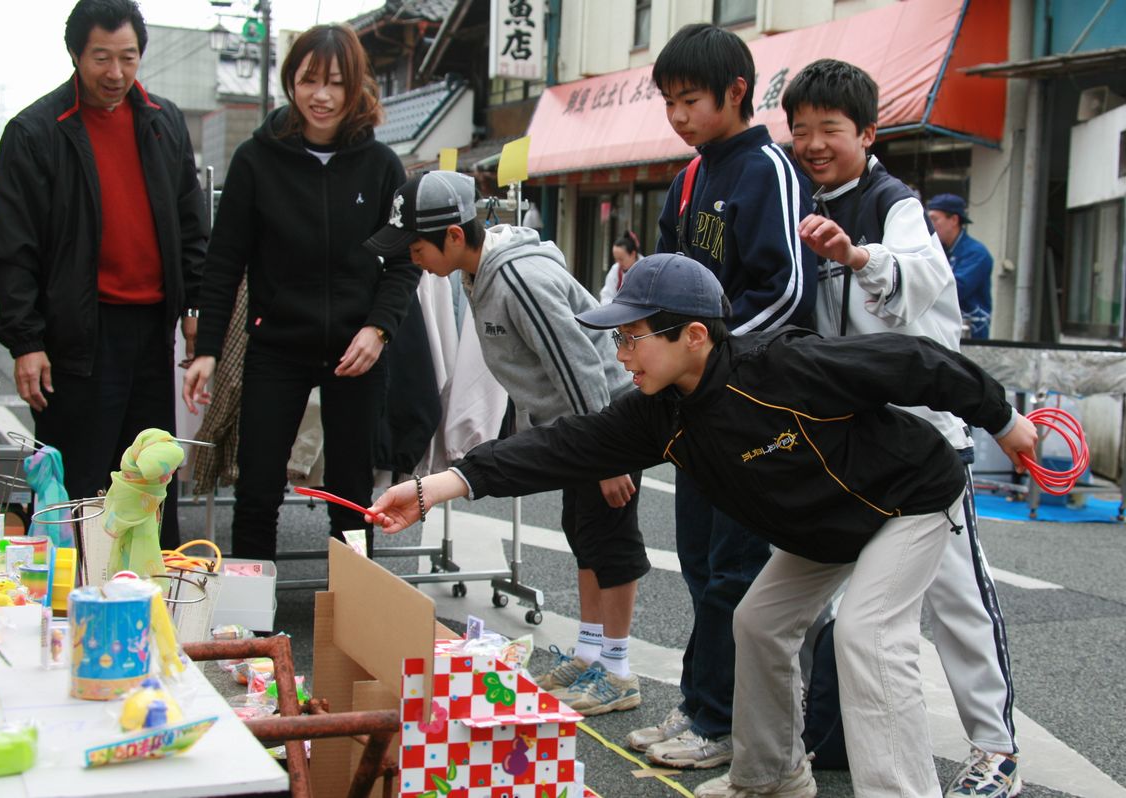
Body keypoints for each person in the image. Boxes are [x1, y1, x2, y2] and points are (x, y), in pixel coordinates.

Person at [367, 253, 1038, 798]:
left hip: (908, 498)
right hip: (827, 529)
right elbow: (562, 446)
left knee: (865, 631)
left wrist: (1004, 421)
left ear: (693, 336)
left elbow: (916, 361)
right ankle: (772, 777)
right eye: (618, 337)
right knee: (757, 622)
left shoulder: (782, 368)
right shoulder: (660, 413)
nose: (622, 352)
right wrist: (438, 486)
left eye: (633, 337)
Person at [784, 59, 1021, 798]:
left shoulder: (896, 204)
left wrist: (857, 257)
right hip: (844, 443)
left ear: (869, 132)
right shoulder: (803, 196)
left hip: (922, 444)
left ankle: (996, 751)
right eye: (802, 129)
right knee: (827, 603)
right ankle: (826, 740)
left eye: (831, 128)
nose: (815, 142)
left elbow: (921, 280)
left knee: (956, 599)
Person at [365, 170, 650, 715]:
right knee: (584, 531)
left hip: (603, 422)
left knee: (611, 540)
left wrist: (609, 455)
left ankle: (616, 670)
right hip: (577, 429)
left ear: (453, 235)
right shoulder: (478, 275)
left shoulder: (516, 277)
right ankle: (592, 654)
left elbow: (579, 362)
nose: (411, 258)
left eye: (416, 247)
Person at [637, 22, 816, 774]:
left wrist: (715, 361)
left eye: (691, 101)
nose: (678, 116)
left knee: (736, 569)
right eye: (669, 102)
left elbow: (786, 290)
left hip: (748, 402)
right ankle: (699, 704)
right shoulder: (690, 175)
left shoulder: (765, 167)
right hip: (695, 401)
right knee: (700, 561)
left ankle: (720, 722)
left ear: (737, 93)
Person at [182, 24, 418, 560]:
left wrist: (379, 329)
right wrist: (207, 350)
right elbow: (223, 263)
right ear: (291, 82)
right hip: (277, 346)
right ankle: (249, 632)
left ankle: (351, 622)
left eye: (335, 83)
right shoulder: (255, 160)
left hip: (357, 351)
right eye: (309, 80)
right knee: (257, 490)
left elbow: (405, 260)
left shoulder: (381, 165)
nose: (322, 95)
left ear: (356, 86)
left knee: (352, 497)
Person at [0, 0, 208, 549]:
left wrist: (196, 309)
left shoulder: (163, 121)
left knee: (150, 476)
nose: (115, 73)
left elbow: (191, 225)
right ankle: (68, 605)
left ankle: (155, 604)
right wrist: (26, 341)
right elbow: (13, 248)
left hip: (151, 331)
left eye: (127, 57)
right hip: (75, 336)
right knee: (78, 482)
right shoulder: (36, 131)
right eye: (101, 58)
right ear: (75, 55)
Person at [926, 193, 993, 339]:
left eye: (934, 218)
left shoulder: (976, 253)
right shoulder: (938, 250)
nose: (929, 225)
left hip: (970, 334)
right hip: (942, 329)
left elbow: (956, 288)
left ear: (954, 220)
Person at [599, 230, 641, 304]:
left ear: (633, 254)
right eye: (616, 259)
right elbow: (606, 296)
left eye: (621, 259)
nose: (618, 263)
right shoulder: (616, 269)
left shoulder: (645, 269)